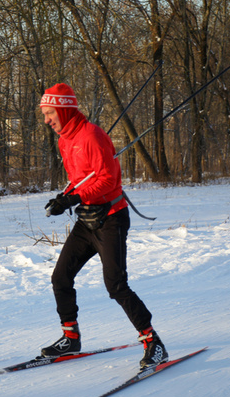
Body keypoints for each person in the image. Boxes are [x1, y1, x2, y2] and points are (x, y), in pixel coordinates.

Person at [39, 83, 168, 370]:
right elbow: (82, 178)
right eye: (45, 114)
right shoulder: (65, 139)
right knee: (60, 277)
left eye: (50, 113)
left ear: (64, 109)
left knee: (116, 285)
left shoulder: (92, 136)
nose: (46, 119)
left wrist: (73, 197)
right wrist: (65, 196)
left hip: (111, 218)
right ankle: (70, 338)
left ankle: (153, 343)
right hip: (88, 220)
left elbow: (109, 180)